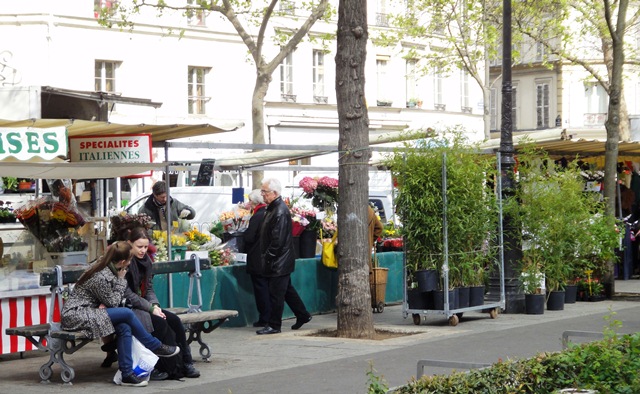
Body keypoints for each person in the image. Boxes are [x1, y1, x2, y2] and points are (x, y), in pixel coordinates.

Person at [61, 241, 180, 387]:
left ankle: (127, 374)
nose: (131, 263)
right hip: (76, 315)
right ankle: (154, 345)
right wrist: (121, 280)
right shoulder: (100, 276)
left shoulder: (106, 265)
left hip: (91, 312)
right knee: (126, 313)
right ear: (123, 262)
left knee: (124, 326)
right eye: (130, 260)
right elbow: (113, 302)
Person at [110, 227, 200, 380]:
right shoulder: (124, 261)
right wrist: (150, 308)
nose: (143, 250)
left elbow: (149, 288)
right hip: (128, 306)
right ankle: (166, 367)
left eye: (146, 247)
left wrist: (155, 305)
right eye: (139, 246)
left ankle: (186, 362)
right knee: (160, 324)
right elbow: (127, 293)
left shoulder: (147, 262)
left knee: (175, 321)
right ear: (129, 244)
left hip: (144, 305)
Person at [256, 178, 312, 335]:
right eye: (262, 191)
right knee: (286, 290)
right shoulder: (274, 208)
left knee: (276, 294)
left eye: (264, 192)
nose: (262, 195)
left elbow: (277, 240)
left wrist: (268, 257)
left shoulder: (279, 210)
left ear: (274, 193)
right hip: (279, 259)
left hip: (278, 260)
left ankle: (274, 325)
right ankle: (303, 314)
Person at [243, 189, 270, 327]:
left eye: (250, 201)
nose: (249, 203)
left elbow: (249, 237)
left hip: (257, 258)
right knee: (267, 288)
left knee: (261, 289)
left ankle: (264, 318)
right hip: (267, 257)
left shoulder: (258, 215)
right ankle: (268, 317)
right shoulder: (268, 212)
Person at [367, 205, 384, 272]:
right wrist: (370, 240)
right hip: (365, 254)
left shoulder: (349, 207)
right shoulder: (369, 210)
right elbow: (380, 227)